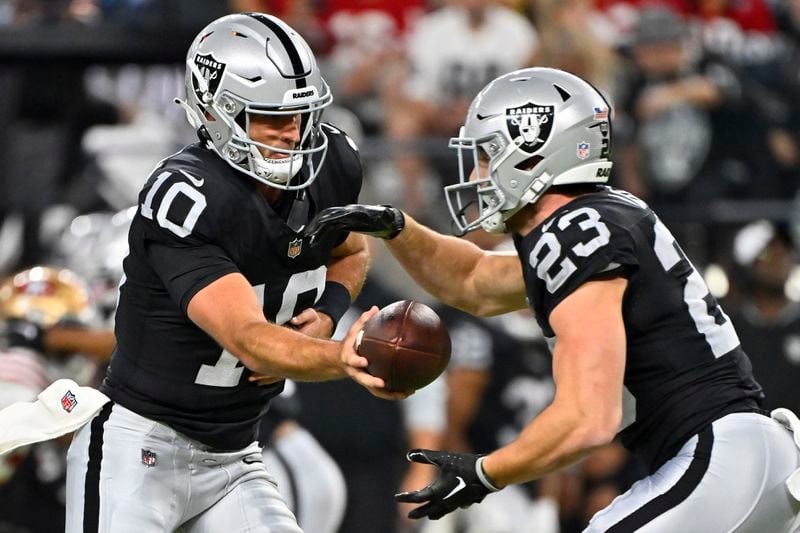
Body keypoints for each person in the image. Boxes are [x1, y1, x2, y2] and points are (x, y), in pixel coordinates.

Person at [304, 67, 800, 531]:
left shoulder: (575, 231)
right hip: (739, 457)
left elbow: (589, 418)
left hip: (721, 457)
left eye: (485, 153)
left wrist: (485, 472)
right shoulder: (593, 221)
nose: (477, 172)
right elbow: (474, 281)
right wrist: (396, 227)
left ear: (534, 151)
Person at [62, 13, 401, 533]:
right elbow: (247, 337)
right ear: (217, 115)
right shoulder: (188, 197)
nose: (293, 135)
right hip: (138, 452)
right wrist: (341, 358)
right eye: (270, 118)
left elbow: (351, 249)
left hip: (235, 456)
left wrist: (329, 311)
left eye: (303, 116)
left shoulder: (332, 162)